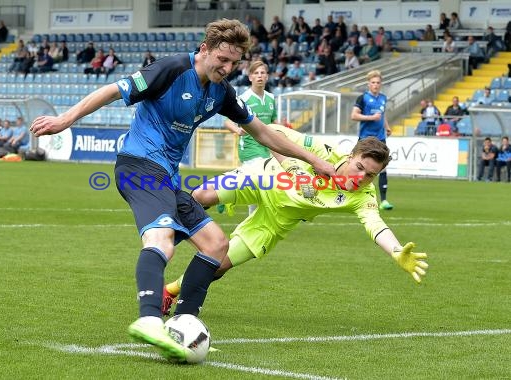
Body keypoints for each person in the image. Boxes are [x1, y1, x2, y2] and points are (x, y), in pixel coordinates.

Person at [29, 18, 336, 362]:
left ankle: (184, 321)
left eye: (234, 63)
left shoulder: (222, 92)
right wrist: (65, 119)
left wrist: (315, 161)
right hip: (139, 166)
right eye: (222, 59)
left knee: (216, 244)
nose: (227, 67)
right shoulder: (172, 68)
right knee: (161, 240)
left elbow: (263, 133)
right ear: (204, 49)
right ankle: (148, 319)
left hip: (167, 177)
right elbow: (114, 90)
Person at [162, 125, 429, 315]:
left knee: (219, 265)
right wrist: (292, 167)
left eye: (370, 175)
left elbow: (376, 225)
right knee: (200, 194)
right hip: (262, 178)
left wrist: (396, 251)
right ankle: (164, 239)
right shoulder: (326, 152)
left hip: (277, 220)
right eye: (359, 167)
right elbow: (274, 134)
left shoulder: (363, 196)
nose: (361, 177)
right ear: (350, 157)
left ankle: (171, 290)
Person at [221, 60, 277, 215]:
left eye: (262, 73)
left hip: (268, 148)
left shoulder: (271, 98)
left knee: (259, 187)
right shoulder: (244, 98)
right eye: (256, 73)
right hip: (250, 148)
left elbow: (274, 123)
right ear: (250, 77)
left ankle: (228, 191)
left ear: (267, 76)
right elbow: (227, 121)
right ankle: (228, 189)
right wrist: (237, 130)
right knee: (262, 182)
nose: (259, 76)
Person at [351, 70, 393, 210]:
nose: (376, 85)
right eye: (373, 82)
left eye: (378, 83)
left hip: (380, 138)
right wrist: (370, 118)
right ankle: (350, 194)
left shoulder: (383, 98)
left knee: (382, 168)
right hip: (365, 139)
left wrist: (386, 127)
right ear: (368, 84)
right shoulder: (362, 98)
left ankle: (384, 201)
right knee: (358, 167)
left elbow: (382, 115)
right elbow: (354, 115)